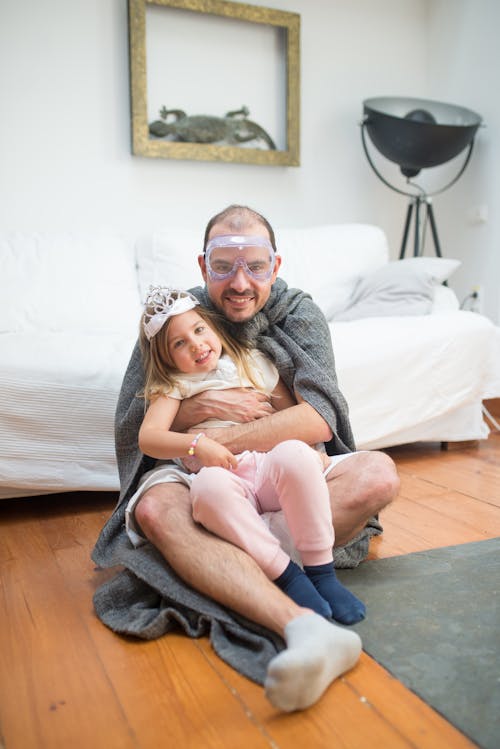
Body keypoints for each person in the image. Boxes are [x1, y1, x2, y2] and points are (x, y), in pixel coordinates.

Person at [95, 204, 400, 712]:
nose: (239, 283)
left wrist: (225, 436)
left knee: (377, 476)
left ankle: (212, 558)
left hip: (277, 470)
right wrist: (199, 409)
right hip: (197, 474)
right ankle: (301, 625)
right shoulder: (178, 317)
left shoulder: (298, 314)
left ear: (274, 268)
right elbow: (138, 423)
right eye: (223, 267)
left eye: (255, 267)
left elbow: (318, 419)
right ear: (202, 267)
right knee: (153, 511)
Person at [133, 285, 366, 625]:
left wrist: (311, 452)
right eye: (179, 343)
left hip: (267, 465)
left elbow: (291, 417)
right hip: (222, 473)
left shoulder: (250, 361)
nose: (196, 344)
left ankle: (321, 573)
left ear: (215, 328)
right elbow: (149, 438)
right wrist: (197, 444)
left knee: (294, 455)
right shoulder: (174, 385)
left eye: (199, 330)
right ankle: (288, 576)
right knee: (208, 489)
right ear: (167, 359)